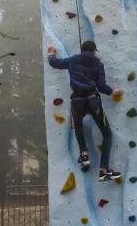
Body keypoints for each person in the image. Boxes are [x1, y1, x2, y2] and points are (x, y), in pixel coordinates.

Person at [47, 41, 122, 181]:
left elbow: (55, 63)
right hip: (93, 101)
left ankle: (84, 153)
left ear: (82, 49)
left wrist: (51, 53)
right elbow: (101, 86)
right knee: (107, 134)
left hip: (77, 101)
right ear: (94, 51)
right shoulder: (98, 64)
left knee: (78, 126)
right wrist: (113, 91)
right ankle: (104, 170)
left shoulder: (73, 60)